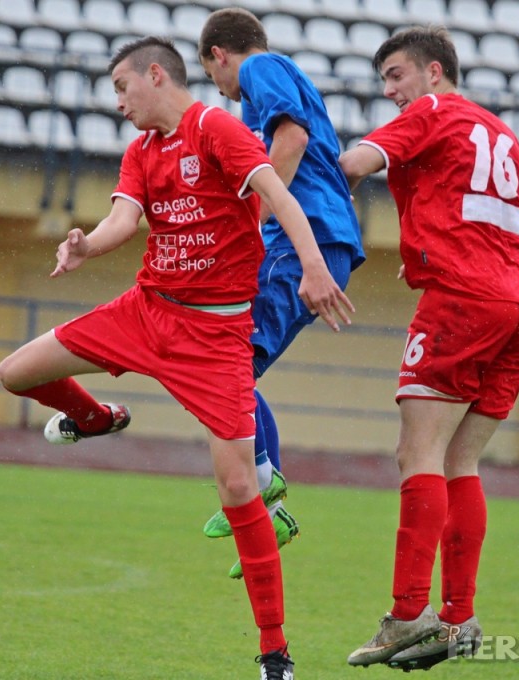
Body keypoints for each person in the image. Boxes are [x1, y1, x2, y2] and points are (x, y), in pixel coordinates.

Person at [0, 36, 353, 679]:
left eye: (122, 87)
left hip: (215, 338)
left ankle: (276, 656)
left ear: (155, 75)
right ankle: (99, 418)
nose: (119, 103)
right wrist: (87, 246)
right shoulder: (142, 151)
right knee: (15, 373)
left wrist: (313, 266)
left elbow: (280, 196)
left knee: (239, 488)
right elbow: (123, 221)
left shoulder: (216, 128)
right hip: (145, 311)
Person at [338, 26, 519, 672]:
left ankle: (407, 615)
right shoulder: (503, 134)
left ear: (434, 72)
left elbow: (353, 165)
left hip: (463, 301)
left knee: (418, 453)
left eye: (396, 75)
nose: (390, 92)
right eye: (384, 81)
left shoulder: (431, 110)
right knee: (461, 459)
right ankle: (459, 618)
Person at [197, 7, 366, 579]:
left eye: (213, 75)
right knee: (231, 366)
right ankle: (267, 502)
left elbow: (291, 138)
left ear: (220, 55)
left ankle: (263, 487)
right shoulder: (271, 83)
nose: (219, 89)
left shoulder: (260, 69)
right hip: (310, 236)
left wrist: (258, 215)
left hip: (301, 239)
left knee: (225, 362)